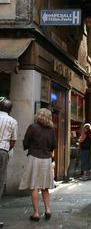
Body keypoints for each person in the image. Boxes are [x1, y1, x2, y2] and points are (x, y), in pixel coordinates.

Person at [19, 108, 57, 222]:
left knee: (34, 185)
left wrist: (30, 147)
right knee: (45, 186)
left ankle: (36, 213)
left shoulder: (33, 127)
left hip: (34, 157)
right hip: (46, 158)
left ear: (39, 116)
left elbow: (25, 142)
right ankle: (48, 210)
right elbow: (53, 144)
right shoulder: (51, 130)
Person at [0, 97, 18, 228]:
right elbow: (13, 141)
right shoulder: (12, 121)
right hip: (3, 151)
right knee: (0, 182)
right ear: (10, 109)